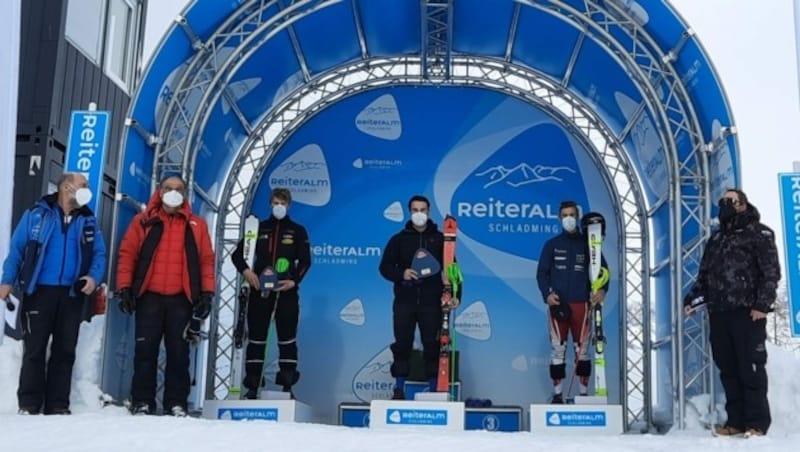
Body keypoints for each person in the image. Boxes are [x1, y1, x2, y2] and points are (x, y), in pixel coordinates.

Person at [0, 173, 107, 415]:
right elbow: (17, 249)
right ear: (66, 187)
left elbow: (99, 255)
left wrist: (92, 277)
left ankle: (58, 404)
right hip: (39, 291)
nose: (86, 190)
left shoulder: (88, 220)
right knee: (34, 348)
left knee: (65, 349)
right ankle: (28, 403)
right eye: (83, 186)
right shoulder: (37, 214)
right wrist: (7, 281)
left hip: (71, 294)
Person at [116, 175, 216, 416]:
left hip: (181, 299)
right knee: (145, 352)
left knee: (179, 354)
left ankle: (176, 402)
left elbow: (206, 261)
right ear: (159, 192)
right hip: (149, 297)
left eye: (178, 189)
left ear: (185, 194)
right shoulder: (143, 221)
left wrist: (207, 294)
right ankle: (142, 401)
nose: (173, 192)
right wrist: (124, 288)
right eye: (169, 188)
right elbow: (127, 254)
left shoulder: (197, 224)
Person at [684, 189, 780, 437]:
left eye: (730, 201)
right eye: (722, 202)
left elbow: (770, 273)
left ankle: (757, 423)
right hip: (719, 313)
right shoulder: (716, 240)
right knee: (728, 369)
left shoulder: (760, 233)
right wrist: (691, 300)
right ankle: (735, 422)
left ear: (742, 204)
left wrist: (762, 305)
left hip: (748, 312)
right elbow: (704, 276)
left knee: (751, 368)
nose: (725, 205)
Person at [231, 188, 311, 399]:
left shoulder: (298, 230)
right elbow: (238, 256)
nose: (279, 207)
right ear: (270, 204)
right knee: (257, 339)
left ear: (289, 205)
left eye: (283, 203)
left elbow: (305, 261)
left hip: (286, 293)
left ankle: (287, 386)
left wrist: (294, 281)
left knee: (287, 339)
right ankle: (252, 386)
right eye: (275, 203)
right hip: (260, 293)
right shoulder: (258, 228)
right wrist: (247, 272)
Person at [536, 201, 608, 403]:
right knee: (557, 349)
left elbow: (604, 271)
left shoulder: (588, 243)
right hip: (558, 305)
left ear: (577, 217)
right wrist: (547, 295)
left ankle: (584, 395)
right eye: (564, 215)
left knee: (583, 350)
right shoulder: (551, 244)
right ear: (560, 218)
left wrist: (603, 290)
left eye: (571, 215)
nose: (568, 218)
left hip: (582, 304)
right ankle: (558, 395)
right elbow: (542, 274)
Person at [379, 195, 446, 400]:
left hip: (432, 302)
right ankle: (399, 389)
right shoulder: (398, 239)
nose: (419, 214)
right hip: (404, 302)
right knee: (402, 345)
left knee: (432, 345)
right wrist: (402, 274)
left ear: (429, 211)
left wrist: (453, 295)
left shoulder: (441, 239)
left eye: (423, 210)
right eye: (415, 210)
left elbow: (452, 270)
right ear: (410, 212)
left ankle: (434, 389)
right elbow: (384, 268)